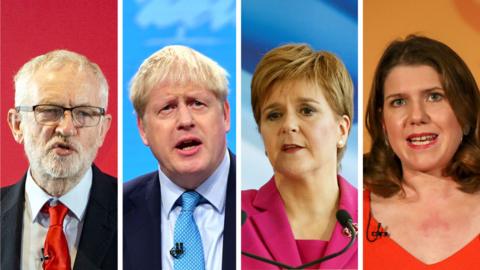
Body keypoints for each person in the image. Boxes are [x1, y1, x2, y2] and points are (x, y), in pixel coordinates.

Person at [364, 35, 480, 269]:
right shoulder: (349, 213)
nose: (417, 116)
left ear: (465, 112)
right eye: (398, 102)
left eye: (434, 97)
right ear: (383, 122)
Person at [242, 44, 358, 269]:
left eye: (307, 110)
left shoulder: (373, 220)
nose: (288, 125)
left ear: (342, 130)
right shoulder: (235, 218)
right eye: (274, 115)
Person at [0, 50, 117, 270]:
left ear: (102, 129)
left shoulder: (136, 213)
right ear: (17, 125)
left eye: (84, 113)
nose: (66, 128)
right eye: (50, 111)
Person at [123, 45, 236, 270]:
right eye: (167, 108)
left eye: (197, 103)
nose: (185, 120)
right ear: (143, 129)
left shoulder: (260, 200)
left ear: (224, 114)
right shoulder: (117, 212)